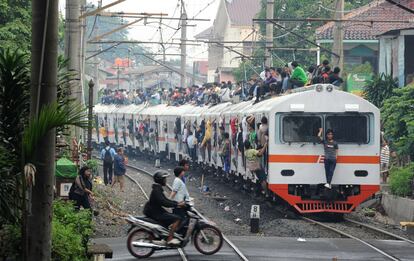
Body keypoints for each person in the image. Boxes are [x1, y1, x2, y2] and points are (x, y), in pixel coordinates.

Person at [144, 171, 185, 245]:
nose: (166, 180)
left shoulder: (157, 189)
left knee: (169, 217)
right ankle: (169, 239)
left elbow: (165, 200)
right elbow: (164, 202)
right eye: (164, 179)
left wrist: (176, 203)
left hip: (154, 210)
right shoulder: (157, 190)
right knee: (177, 218)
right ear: (160, 180)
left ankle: (164, 235)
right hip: (154, 212)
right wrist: (177, 204)